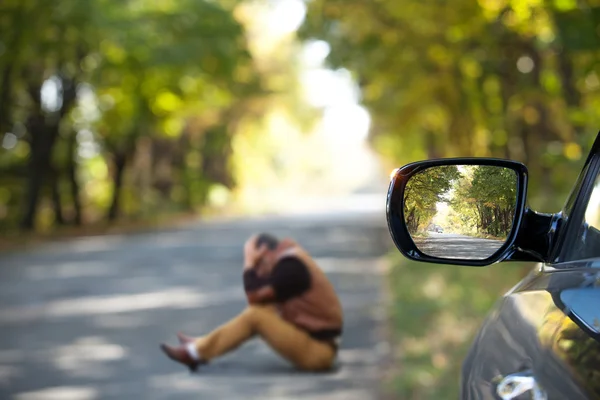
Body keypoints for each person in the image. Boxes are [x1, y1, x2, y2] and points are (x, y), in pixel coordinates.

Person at [160, 232, 344, 372]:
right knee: (261, 310)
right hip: (316, 345)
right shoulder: (288, 259)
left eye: (258, 264)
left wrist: (249, 262)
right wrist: (254, 263)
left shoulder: (291, 268)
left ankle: (194, 353)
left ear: (265, 253)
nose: (258, 272)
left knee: (256, 315)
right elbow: (258, 298)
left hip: (319, 352)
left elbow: (253, 295)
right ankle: (201, 345)